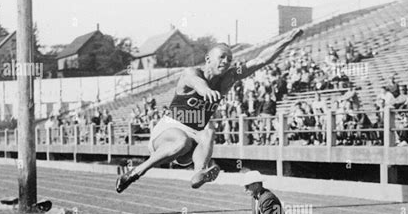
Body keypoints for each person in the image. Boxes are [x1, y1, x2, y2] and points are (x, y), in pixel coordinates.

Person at [115, 28, 303, 192]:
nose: (226, 61)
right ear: (208, 59)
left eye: (229, 59)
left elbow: (260, 60)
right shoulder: (191, 73)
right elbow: (198, 84)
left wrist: (286, 40)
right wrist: (206, 91)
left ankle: (199, 173)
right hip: (168, 131)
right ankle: (136, 172)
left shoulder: (229, 78)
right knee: (181, 140)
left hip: (193, 139)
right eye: (222, 57)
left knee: (208, 131)